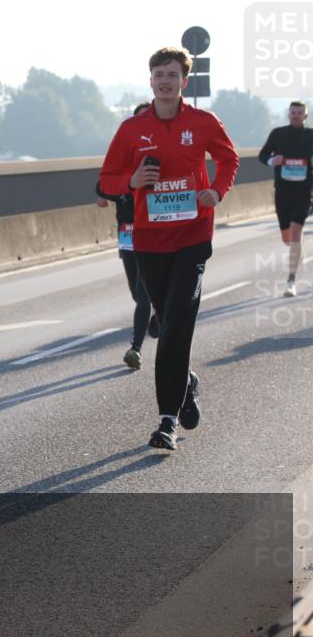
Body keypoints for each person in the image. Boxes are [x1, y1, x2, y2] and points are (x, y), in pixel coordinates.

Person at [100, 47, 239, 451]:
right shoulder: (131, 130)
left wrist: (216, 189)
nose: (165, 81)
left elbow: (229, 159)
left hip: (193, 238)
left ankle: (167, 421)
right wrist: (132, 180)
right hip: (149, 241)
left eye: (172, 75)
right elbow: (106, 180)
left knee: (176, 324)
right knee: (168, 325)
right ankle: (186, 381)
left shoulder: (203, 122)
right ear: (150, 81)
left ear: (184, 81)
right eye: (159, 74)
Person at [97, 102, 160, 370]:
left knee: (143, 294)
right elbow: (102, 186)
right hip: (127, 234)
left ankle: (135, 348)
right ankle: (156, 315)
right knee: (137, 292)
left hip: (152, 233)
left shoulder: (159, 158)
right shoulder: (124, 157)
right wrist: (117, 188)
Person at [258, 100, 313, 297]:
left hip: (304, 192)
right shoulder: (278, 134)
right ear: (288, 114)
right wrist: (273, 160)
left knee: (296, 233)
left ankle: (291, 280)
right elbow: (262, 155)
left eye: (300, 112)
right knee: (287, 238)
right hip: (283, 191)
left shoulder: (310, 135)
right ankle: (296, 251)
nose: (296, 115)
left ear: (306, 116)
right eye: (293, 112)